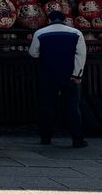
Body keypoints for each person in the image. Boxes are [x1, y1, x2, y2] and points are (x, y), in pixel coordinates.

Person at [29, 11, 88, 147]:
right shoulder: (76, 33)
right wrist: (77, 75)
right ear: (65, 20)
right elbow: (81, 55)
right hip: (70, 76)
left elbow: (33, 53)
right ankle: (77, 139)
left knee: (47, 107)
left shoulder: (40, 33)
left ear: (49, 20)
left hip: (48, 75)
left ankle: (46, 137)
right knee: (73, 107)